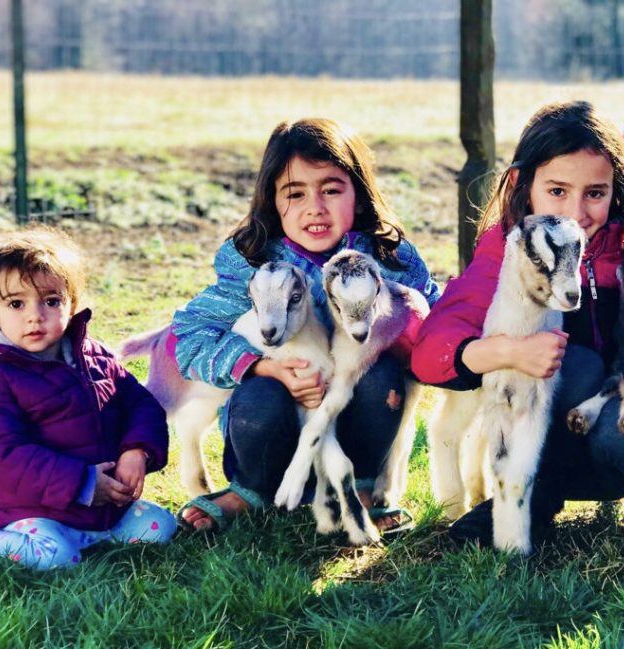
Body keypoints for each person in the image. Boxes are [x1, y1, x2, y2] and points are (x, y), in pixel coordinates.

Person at [412, 101, 624, 548]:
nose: (577, 212)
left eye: (595, 193)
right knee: (574, 366)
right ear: (522, 186)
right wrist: (504, 352)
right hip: (549, 440)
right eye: (558, 191)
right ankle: (527, 501)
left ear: (616, 191)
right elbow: (431, 351)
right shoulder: (509, 256)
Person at [174, 118, 440, 533]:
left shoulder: (389, 257)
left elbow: (434, 318)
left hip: (358, 421)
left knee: (380, 373)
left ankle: (364, 489)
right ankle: (251, 490)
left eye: (331, 190)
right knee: (259, 394)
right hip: (275, 426)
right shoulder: (252, 261)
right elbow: (191, 339)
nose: (315, 207)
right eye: (295, 193)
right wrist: (261, 366)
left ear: (359, 194)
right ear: (271, 200)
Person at [0, 229, 175, 569]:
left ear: (72, 304)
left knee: (161, 527)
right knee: (55, 557)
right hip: (36, 510)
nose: (35, 315)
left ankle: (91, 537)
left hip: (104, 511)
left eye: (51, 301)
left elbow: (139, 403)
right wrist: (83, 483)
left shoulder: (93, 355)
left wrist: (138, 450)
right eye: (16, 303)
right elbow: (3, 455)